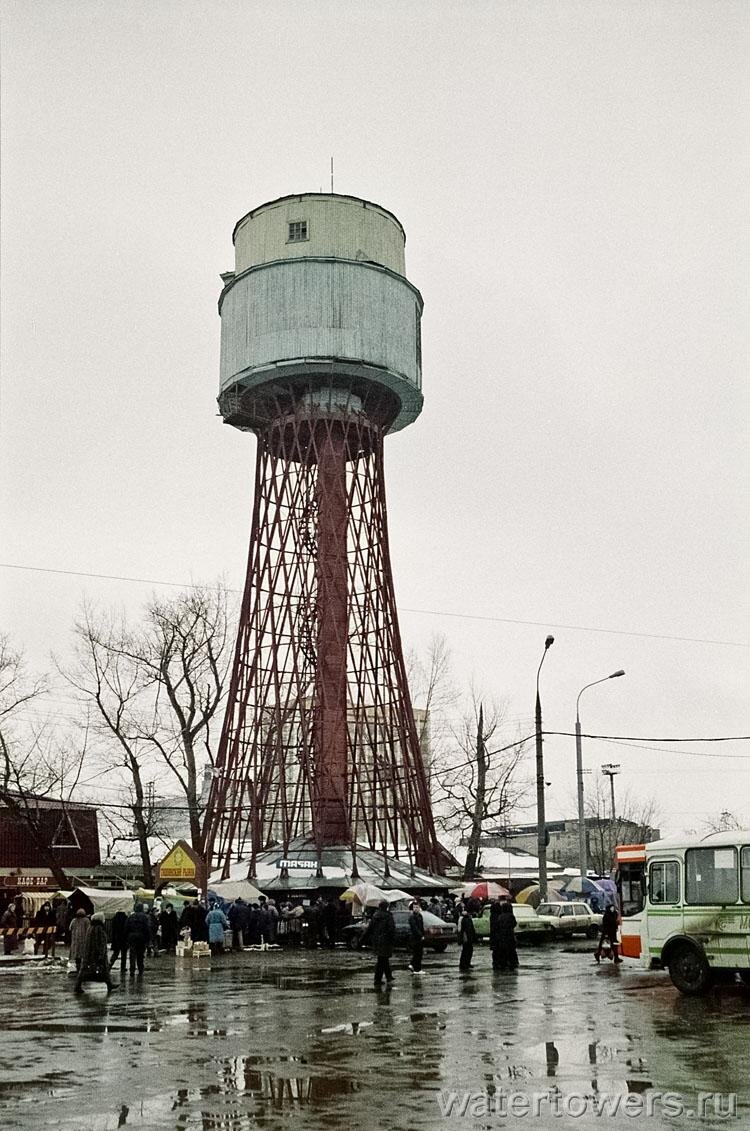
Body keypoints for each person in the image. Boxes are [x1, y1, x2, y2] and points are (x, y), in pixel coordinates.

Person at [75, 912, 114, 993]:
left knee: (85, 970)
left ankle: (109, 984)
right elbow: (100, 943)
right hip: (96, 954)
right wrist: (101, 954)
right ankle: (77, 986)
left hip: (89, 953)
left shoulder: (91, 927)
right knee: (100, 969)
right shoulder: (99, 929)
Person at [362, 901, 396, 989]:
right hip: (386, 941)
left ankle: (388, 977)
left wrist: (362, 939)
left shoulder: (375, 916)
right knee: (382, 960)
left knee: (383, 959)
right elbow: (391, 929)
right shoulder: (388, 916)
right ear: (387, 907)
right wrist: (392, 939)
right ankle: (377, 980)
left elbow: (369, 928)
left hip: (377, 941)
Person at [490, 901, 518, 971]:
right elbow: (514, 923)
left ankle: (501, 963)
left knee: (501, 950)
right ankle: (510, 963)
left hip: (501, 936)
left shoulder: (499, 916)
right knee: (510, 950)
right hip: (509, 935)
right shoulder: (510, 916)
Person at [126, 902, 151, 975]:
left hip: (132, 937)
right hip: (141, 937)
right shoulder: (144, 917)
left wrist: (127, 937)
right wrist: (148, 938)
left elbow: (126, 927)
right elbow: (147, 928)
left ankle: (132, 970)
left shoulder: (131, 917)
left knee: (132, 954)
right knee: (140, 954)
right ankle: (140, 969)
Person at [69, 908, 91, 972]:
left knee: (77, 954)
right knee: (83, 954)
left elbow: (70, 928)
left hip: (75, 940)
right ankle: (82, 967)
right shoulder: (86, 920)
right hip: (84, 940)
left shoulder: (74, 920)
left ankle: (78, 966)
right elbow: (89, 929)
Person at [457, 905, 476, 972]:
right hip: (467, 938)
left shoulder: (465, 918)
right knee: (466, 951)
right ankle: (464, 964)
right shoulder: (465, 919)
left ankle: (466, 963)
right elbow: (464, 930)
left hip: (468, 937)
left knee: (467, 950)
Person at [408, 900, 425, 974]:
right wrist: (420, 935)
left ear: (419, 908)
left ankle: (416, 968)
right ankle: (414, 966)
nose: (415, 908)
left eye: (417, 907)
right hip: (415, 937)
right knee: (417, 953)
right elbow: (414, 928)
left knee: (419, 953)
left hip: (419, 937)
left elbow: (421, 927)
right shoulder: (412, 917)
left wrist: (423, 934)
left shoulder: (420, 916)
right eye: (414, 907)